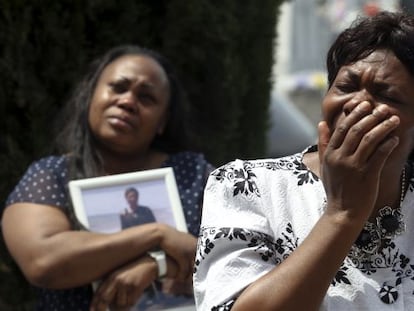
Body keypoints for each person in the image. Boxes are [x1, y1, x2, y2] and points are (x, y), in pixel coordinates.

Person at [194, 10, 414, 311]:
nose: (358, 104)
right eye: (346, 87)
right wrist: (342, 214)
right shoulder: (247, 186)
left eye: (386, 95)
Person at [2, 44, 214, 311]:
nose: (127, 102)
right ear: (91, 96)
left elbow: (243, 255)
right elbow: (44, 261)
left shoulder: (194, 175)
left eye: (146, 98)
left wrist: (154, 265)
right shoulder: (50, 177)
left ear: (163, 121)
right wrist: (157, 234)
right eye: (118, 87)